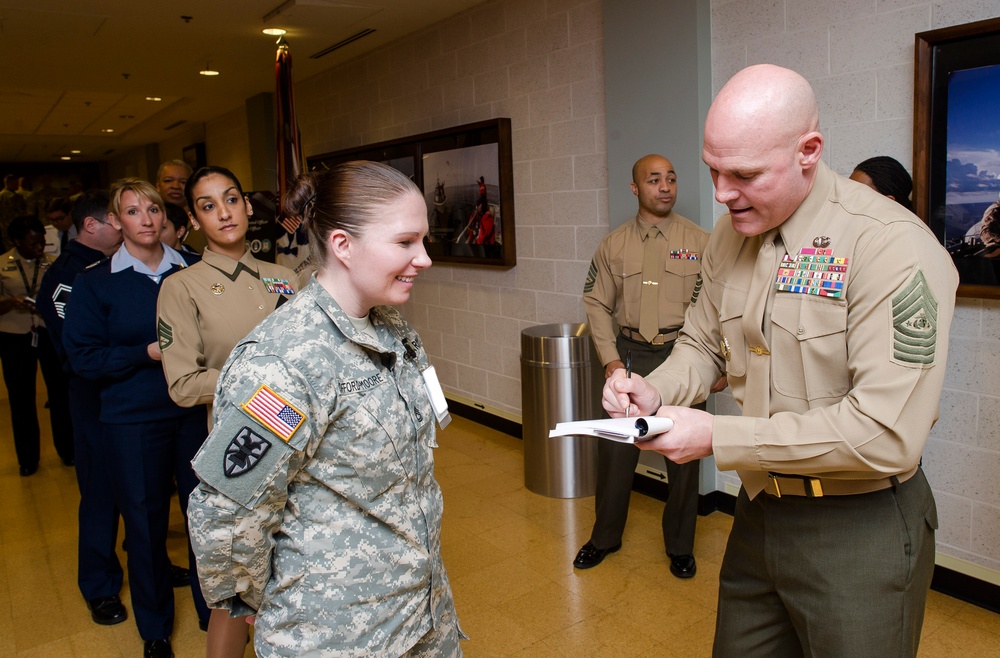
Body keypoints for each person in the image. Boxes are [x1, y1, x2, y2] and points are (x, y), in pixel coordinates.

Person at [603, 64, 958, 657]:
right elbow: (701, 342)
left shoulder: (890, 246)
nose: (720, 192)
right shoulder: (728, 235)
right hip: (761, 512)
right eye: (712, 170)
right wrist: (656, 391)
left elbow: (886, 433)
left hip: (859, 525)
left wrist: (719, 436)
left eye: (743, 174)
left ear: (808, 152)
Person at [188, 161, 464, 657]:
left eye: (423, 241)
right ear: (342, 245)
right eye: (405, 243)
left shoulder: (393, 330)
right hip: (335, 632)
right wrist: (271, 602)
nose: (424, 258)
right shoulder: (283, 362)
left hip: (422, 611)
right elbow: (229, 512)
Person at [156, 166, 300, 657]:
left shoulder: (285, 279)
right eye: (207, 205)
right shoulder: (182, 287)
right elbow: (182, 383)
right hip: (243, 451)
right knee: (237, 590)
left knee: (302, 571)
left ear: (248, 206)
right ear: (193, 220)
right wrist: (258, 384)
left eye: (231, 199)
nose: (224, 212)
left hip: (302, 447)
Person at [63, 178, 204, 658]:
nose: (146, 219)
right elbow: (83, 358)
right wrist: (145, 352)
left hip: (194, 413)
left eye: (153, 209)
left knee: (204, 515)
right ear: (116, 220)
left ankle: (214, 612)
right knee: (143, 525)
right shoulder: (96, 282)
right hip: (131, 419)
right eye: (132, 211)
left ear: (165, 216)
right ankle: (155, 629)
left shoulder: (192, 270)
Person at [574, 155, 709, 578]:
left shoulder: (701, 242)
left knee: (684, 461)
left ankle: (681, 547)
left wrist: (717, 363)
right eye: (654, 180)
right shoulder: (613, 245)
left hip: (682, 355)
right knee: (615, 453)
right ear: (636, 189)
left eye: (671, 178)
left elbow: (716, 308)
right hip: (630, 357)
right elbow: (596, 303)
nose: (665, 186)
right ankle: (604, 538)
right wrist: (611, 362)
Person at [35, 190, 127, 626]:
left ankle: (153, 566)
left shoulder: (120, 265)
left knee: (138, 489)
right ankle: (99, 585)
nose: (124, 225)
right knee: (100, 494)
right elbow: (80, 349)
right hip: (93, 397)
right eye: (115, 218)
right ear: (91, 225)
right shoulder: (67, 276)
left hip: (130, 395)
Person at [0, 214, 73, 475]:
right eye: (32, 243)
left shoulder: (53, 264)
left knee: (59, 394)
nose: (39, 247)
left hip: (47, 333)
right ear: (17, 241)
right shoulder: (2, 265)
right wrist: (11, 302)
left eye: (41, 242)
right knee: (21, 397)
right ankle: (28, 458)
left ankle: (67, 450)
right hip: (14, 334)